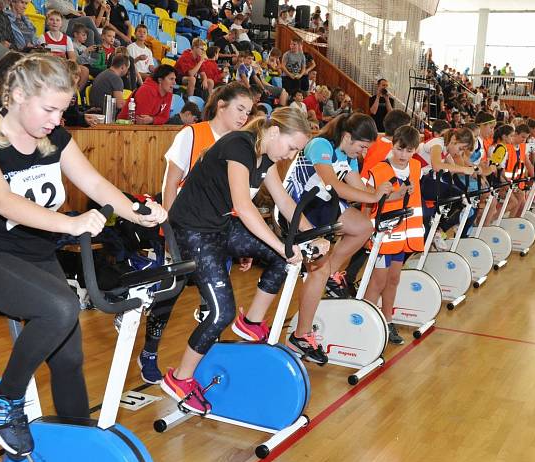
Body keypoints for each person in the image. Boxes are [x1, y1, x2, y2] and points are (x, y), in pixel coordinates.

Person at [0, 54, 167, 459]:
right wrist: (69, 224)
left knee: (69, 357)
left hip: (34, 254)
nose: (55, 119)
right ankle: (5, 398)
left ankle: (78, 445)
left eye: (62, 110)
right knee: (61, 308)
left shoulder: (55, 139)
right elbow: (2, 202)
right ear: (16, 95)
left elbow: (95, 182)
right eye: (49, 109)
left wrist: (134, 210)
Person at [160, 106, 329, 413]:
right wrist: (282, 246)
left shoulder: (267, 158)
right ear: (275, 132)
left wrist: (313, 233)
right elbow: (244, 206)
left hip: (221, 228)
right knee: (219, 312)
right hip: (193, 232)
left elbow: (285, 201)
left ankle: (251, 321)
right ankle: (180, 378)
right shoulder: (239, 144)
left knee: (282, 259)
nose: (290, 155)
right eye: (292, 147)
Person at [110, 84, 255, 384]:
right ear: (221, 105)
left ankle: (202, 362)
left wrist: (242, 243)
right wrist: (170, 230)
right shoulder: (191, 134)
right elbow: (170, 182)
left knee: (214, 304)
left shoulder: (241, 145)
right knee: (170, 293)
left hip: (218, 231)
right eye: (240, 109)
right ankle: (149, 351)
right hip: (185, 227)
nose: (244, 117)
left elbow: (240, 199)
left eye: (249, 112)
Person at [282, 114, 391, 362]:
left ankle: (330, 272)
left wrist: (381, 193)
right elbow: (334, 185)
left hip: (322, 206)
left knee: (363, 226)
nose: (363, 153)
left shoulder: (348, 156)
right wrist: (373, 197)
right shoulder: (321, 145)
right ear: (347, 137)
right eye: (362, 146)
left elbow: (361, 191)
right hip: (296, 207)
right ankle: (301, 335)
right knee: (316, 272)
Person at [362, 125, 423, 345]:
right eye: (399, 149)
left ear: (415, 150)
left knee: (394, 279)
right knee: (378, 282)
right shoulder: (378, 170)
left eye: (408, 151)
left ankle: (388, 321)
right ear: (393, 144)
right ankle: (363, 322)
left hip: (403, 237)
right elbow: (368, 200)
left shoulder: (417, 168)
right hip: (382, 235)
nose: (402, 155)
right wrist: (396, 196)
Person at [37, 11, 90, 90]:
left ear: (61, 23)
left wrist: (67, 63)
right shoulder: (43, 37)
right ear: (47, 22)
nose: (54, 22)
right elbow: (43, 56)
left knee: (84, 71)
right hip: (50, 64)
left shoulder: (67, 39)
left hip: (64, 64)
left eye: (57, 20)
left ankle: (74, 94)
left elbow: (73, 58)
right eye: (51, 19)